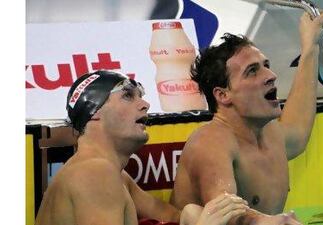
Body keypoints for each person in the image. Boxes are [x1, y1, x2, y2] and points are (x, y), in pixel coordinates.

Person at [170, 11, 323, 225]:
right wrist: (278, 222)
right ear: (223, 94)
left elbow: (298, 131)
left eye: (266, 65)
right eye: (252, 71)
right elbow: (227, 216)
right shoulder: (210, 143)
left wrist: (310, 47)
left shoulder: (269, 132)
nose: (271, 75)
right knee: (192, 212)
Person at [34, 70, 250, 225]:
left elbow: (175, 217)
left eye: (141, 96)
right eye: (128, 95)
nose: (145, 104)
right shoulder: (94, 173)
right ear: (94, 112)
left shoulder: (114, 176)